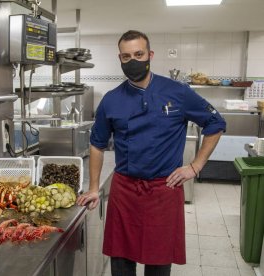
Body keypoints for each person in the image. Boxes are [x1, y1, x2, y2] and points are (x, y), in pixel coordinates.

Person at [76, 30, 226, 276]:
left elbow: (215, 123)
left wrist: (195, 166)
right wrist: (94, 188)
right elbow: (97, 143)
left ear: (150, 55)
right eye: (126, 57)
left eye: (138, 54)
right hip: (124, 189)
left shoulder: (177, 92)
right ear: (120, 59)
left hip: (163, 189)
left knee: (158, 263)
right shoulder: (112, 100)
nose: (133, 61)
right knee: (121, 262)